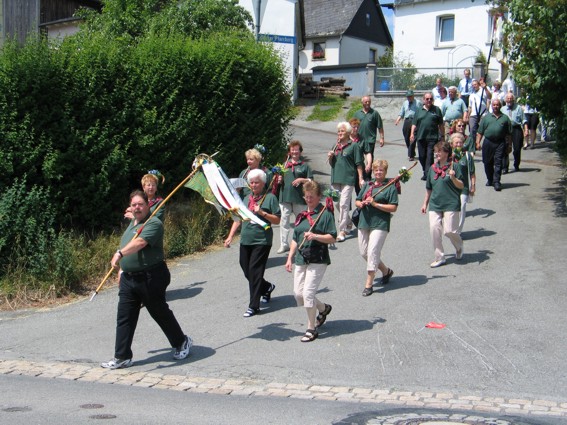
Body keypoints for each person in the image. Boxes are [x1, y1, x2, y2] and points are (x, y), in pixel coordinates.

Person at [101, 190, 191, 370]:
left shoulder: (154, 223)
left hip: (151, 276)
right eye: (133, 205)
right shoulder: (132, 225)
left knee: (159, 312)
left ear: (148, 205)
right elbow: (129, 244)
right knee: (125, 316)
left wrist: (119, 254)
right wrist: (122, 270)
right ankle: (122, 356)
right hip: (129, 278)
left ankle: (181, 342)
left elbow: (140, 243)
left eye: (140, 204)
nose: (137, 208)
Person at [224, 169, 281, 317]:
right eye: (252, 183)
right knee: (246, 269)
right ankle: (266, 287)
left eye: (257, 182)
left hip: (262, 240)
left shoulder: (270, 198)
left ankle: (254, 306)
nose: (254, 185)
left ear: (263, 183)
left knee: (255, 271)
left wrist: (262, 213)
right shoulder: (246, 198)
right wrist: (230, 236)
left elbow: (277, 220)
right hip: (246, 239)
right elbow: (238, 218)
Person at [285, 180, 336, 343]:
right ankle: (323, 308)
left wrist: (315, 236)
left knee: (308, 294)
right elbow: (295, 237)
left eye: (312, 197)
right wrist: (289, 257)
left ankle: (311, 328)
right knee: (298, 294)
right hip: (301, 258)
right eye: (306, 197)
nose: (308, 200)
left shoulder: (325, 214)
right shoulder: (301, 216)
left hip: (318, 258)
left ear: (319, 197)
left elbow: (332, 237)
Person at [355, 159, 398, 297]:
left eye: (381, 170)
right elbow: (357, 199)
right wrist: (360, 203)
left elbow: (393, 207)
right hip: (364, 222)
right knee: (364, 252)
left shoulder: (390, 186)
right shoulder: (368, 185)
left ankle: (369, 283)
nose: (378, 172)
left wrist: (376, 204)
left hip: (380, 223)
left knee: (373, 251)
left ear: (385, 172)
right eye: (376, 170)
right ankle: (386, 271)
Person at [420, 141, 466, 268]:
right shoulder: (432, 169)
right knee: (434, 229)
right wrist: (425, 203)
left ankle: (459, 246)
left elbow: (461, 185)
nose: (437, 153)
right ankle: (439, 257)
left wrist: (453, 178)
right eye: (436, 151)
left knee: (450, 231)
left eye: (439, 151)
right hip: (435, 203)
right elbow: (429, 188)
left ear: (446, 153)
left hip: (451, 202)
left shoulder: (454, 167)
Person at [327, 121, 364, 242]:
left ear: (348, 133)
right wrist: (330, 157)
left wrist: (361, 178)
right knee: (337, 203)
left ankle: (342, 231)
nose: (340, 133)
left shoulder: (354, 146)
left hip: (348, 179)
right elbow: (332, 164)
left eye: (342, 131)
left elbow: (359, 163)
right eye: (338, 131)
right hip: (335, 178)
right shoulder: (335, 146)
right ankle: (348, 222)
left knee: (344, 204)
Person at [277, 140, 313, 254]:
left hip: (299, 198)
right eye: (292, 150)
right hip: (285, 197)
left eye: (296, 150)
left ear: (300, 152)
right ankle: (284, 244)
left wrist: (302, 180)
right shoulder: (284, 165)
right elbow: (278, 181)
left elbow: (311, 180)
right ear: (289, 152)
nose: (294, 152)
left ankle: (301, 242)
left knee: (301, 221)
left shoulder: (304, 166)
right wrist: (279, 179)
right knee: (284, 221)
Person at [476, 98, 512, 192]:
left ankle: (497, 182)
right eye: (494, 105)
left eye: (497, 105)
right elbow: (480, 132)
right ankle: (490, 179)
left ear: (500, 106)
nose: (495, 106)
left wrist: (509, 145)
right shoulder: (486, 118)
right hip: (488, 142)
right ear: (491, 106)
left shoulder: (505, 118)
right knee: (487, 162)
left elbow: (509, 134)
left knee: (498, 162)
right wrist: (478, 142)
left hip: (500, 142)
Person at [410, 93, 444, 181]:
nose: (429, 100)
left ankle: (428, 174)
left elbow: (441, 124)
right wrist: (412, 134)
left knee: (429, 156)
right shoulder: (419, 110)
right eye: (427, 99)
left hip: (432, 137)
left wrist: (442, 136)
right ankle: (425, 170)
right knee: (422, 156)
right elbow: (414, 123)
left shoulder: (437, 110)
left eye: (430, 99)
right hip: (421, 137)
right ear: (423, 100)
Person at [450, 133, 475, 234]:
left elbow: (472, 173)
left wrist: (473, 186)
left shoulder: (467, 156)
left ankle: (458, 232)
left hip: (464, 187)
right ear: (452, 144)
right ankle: (451, 227)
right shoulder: (448, 155)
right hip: (451, 187)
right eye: (456, 143)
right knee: (452, 209)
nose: (459, 145)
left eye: (460, 143)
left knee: (462, 206)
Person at [354, 96, 385, 179]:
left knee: (369, 158)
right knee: (359, 158)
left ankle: (367, 176)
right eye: (366, 101)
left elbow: (380, 126)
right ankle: (359, 174)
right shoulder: (357, 113)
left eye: (369, 101)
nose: (367, 103)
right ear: (362, 102)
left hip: (370, 140)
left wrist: (382, 138)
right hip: (359, 140)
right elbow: (352, 126)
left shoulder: (374, 113)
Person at [501, 93, 528, 172]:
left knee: (517, 149)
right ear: (505, 100)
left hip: (516, 128)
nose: (509, 100)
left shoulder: (518, 108)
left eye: (511, 98)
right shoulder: (502, 109)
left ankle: (516, 164)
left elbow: (524, 119)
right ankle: (505, 167)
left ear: (513, 99)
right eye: (508, 98)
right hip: (506, 129)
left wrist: (526, 130)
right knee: (505, 148)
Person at [394, 89, 421, 161]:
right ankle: (411, 151)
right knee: (406, 137)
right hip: (407, 120)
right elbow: (401, 112)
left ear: (413, 96)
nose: (409, 98)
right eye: (408, 97)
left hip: (415, 120)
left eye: (410, 96)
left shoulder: (418, 103)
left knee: (412, 137)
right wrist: (398, 120)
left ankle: (411, 155)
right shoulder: (405, 103)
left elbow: (421, 111)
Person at [466, 78, 492, 147]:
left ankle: (478, 142)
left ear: (478, 85)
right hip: (473, 114)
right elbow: (470, 107)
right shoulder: (471, 95)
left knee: (482, 130)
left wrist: (485, 88)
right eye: (473, 85)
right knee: (472, 130)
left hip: (483, 114)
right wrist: (468, 116)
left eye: (475, 84)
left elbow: (490, 96)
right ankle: (473, 145)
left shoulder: (483, 91)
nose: (474, 86)